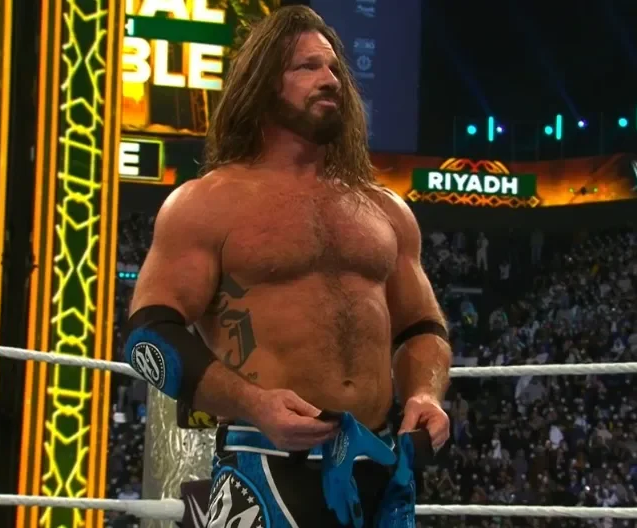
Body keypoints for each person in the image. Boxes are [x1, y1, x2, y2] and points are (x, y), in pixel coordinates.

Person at [121, 6, 451, 527]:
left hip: (378, 463)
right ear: (263, 85)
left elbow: (422, 327)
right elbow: (149, 338)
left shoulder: (383, 209)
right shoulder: (208, 203)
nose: (331, 79)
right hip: (265, 460)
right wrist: (253, 403)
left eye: (334, 68)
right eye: (307, 67)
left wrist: (424, 394)